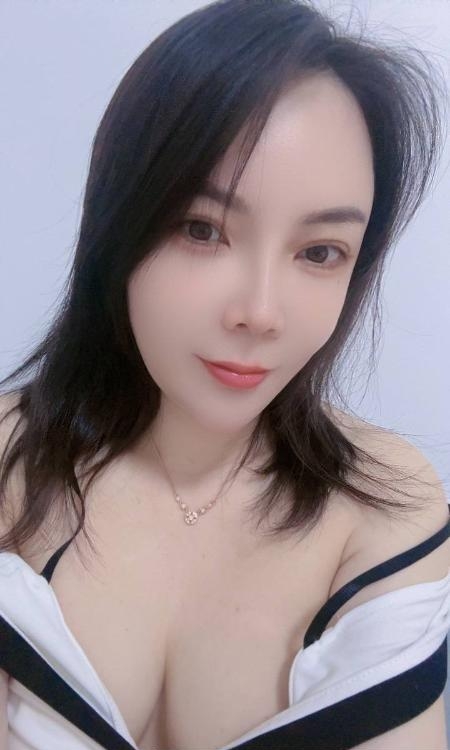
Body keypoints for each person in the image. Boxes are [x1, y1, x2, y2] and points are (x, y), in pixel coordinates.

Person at [0, 0, 449, 748]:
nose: (261, 312)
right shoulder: (10, 466)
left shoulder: (384, 507)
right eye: (202, 229)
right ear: (119, 225)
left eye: (319, 252)